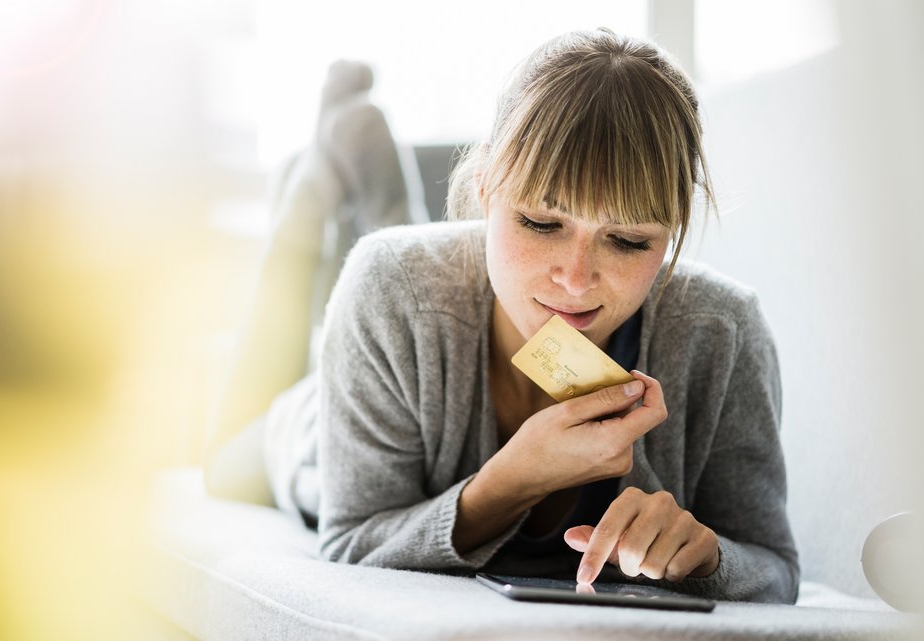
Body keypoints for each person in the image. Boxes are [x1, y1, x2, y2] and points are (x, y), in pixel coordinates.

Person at [205, 28, 800, 604]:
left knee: (423, 268)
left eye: (628, 241)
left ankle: (382, 182)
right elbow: (351, 540)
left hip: (438, 289)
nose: (575, 279)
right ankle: (307, 204)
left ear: (672, 228)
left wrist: (709, 558)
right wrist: (513, 480)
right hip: (315, 425)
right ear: (485, 187)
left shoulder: (723, 330)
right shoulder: (391, 285)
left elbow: (775, 569)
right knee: (224, 463)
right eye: (542, 224)